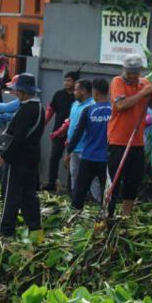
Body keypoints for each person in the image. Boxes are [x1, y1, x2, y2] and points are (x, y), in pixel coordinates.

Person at [107, 55, 152, 218]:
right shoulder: (117, 82)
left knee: (133, 180)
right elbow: (121, 105)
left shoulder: (145, 83)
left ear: (140, 71)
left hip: (137, 142)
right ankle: (108, 213)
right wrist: (143, 93)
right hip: (118, 140)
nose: (131, 76)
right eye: (129, 72)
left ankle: (126, 215)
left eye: (135, 73)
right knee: (114, 180)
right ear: (124, 70)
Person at [0, 73, 45, 241]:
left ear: (23, 91)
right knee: (29, 194)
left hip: (18, 158)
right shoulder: (38, 107)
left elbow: (18, 137)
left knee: (11, 194)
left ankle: (6, 231)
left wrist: (5, 156)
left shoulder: (26, 109)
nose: (14, 93)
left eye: (16, 90)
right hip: (31, 158)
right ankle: (35, 229)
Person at [66, 78, 112, 211]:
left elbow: (77, 133)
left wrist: (69, 151)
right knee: (107, 192)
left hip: (88, 157)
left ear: (94, 92)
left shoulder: (88, 110)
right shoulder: (114, 111)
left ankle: (74, 217)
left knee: (79, 192)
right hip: (107, 159)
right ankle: (106, 216)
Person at [43, 71, 79, 192]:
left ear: (75, 82)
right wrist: (42, 124)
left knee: (72, 160)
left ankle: (71, 187)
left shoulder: (78, 97)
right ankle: (51, 183)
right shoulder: (59, 94)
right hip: (58, 132)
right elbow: (50, 110)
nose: (66, 83)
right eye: (65, 80)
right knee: (54, 158)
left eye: (69, 80)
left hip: (73, 134)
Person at [65, 79, 95, 201]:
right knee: (74, 173)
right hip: (74, 147)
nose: (74, 92)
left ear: (83, 91)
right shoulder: (74, 105)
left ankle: (95, 200)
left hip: (86, 148)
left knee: (91, 178)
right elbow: (71, 125)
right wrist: (68, 145)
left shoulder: (92, 106)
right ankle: (75, 199)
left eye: (76, 90)